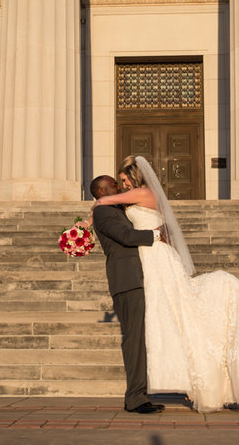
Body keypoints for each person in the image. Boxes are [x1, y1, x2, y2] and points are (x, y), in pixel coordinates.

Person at [91, 155, 239, 412]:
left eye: (124, 180)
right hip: (144, 265)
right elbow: (121, 228)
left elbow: (110, 205)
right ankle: (152, 391)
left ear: (135, 177)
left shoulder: (139, 194)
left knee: (177, 318)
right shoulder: (117, 206)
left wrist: (95, 206)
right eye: (117, 183)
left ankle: (148, 393)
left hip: (154, 259)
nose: (122, 185)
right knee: (163, 326)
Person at [88, 174, 166, 414]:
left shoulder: (118, 209)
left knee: (141, 337)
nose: (119, 186)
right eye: (113, 184)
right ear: (101, 191)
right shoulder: (104, 213)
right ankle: (135, 398)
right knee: (133, 339)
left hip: (140, 277)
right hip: (127, 280)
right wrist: (156, 234)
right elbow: (126, 237)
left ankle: (140, 393)